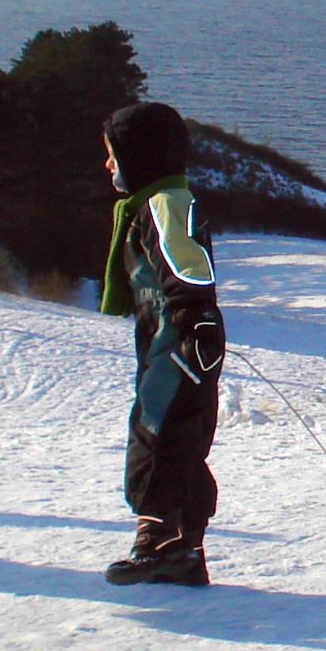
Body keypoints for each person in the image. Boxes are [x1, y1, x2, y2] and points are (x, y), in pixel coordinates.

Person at [98, 102, 224, 587]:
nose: (108, 165)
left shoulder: (164, 205)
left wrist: (196, 319)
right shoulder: (158, 202)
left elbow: (185, 263)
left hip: (181, 341)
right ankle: (187, 549)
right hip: (177, 338)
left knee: (159, 430)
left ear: (140, 155)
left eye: (113, 155)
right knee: (183, 435)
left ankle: (157, 541)